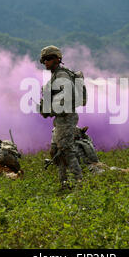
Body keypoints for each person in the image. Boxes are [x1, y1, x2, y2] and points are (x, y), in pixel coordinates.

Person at [38, 45, 83, 189]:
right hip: (62, 119)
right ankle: (64, 183)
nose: (46, 62)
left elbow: (66, 100)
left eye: (49, 59)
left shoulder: (62, 75)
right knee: (59, 152)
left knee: (67, 151)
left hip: (66, 118)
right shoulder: (56, 74)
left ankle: (78, 183)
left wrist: (49, 110)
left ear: (57, 59)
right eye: (44, 59)